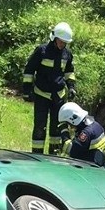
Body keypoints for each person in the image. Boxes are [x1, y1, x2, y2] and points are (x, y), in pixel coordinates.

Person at [22, 22, 77, 153]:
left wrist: (72, 87)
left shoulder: (67, 54)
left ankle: (54, 154)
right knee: (40, 127)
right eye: (61, 41)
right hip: (41, 94)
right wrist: (26, 91)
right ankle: (37, 155)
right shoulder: (42, 51)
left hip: (58, 96)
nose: (63, 44)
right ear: (54, 38)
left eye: (65, 42)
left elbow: (69, 72)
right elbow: (29, 70)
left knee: (57, 127)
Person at [57, 102, 105, 167]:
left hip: (88, 168)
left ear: (73, 119)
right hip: (98, 163)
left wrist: (64, 132)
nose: (70, 127)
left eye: (68, 124)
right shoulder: (96, 125)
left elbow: (72, 151)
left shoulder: (85, 134)